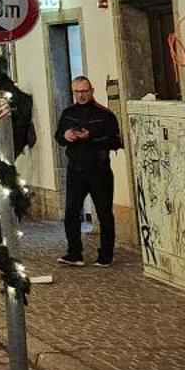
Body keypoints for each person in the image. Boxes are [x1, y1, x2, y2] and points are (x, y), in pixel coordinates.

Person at [55, 76, 123, 266]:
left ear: (92, 91)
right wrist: (66, 136)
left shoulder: (105, 114)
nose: (81, 95)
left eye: (84, 91)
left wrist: (90, 137)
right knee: (71, 212)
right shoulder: (68, 113)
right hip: (75, 169)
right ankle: (74, 252)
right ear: (73, 92)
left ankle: (106, 255)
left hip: (99, 170)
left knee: (104, 213)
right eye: (77, 92)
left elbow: (116, 141)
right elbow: (58, 136)